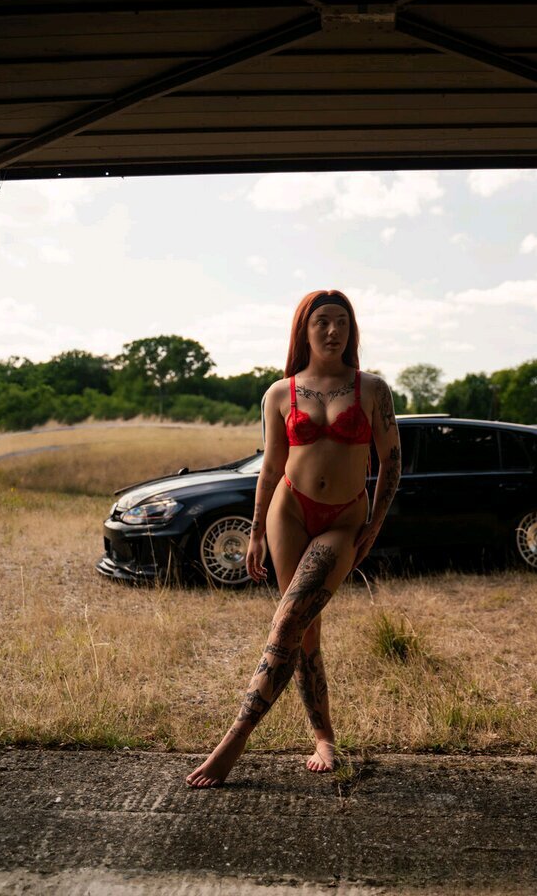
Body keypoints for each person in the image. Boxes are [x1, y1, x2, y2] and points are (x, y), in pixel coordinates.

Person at [186, 289, 401, 788]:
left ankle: (233, 741)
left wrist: (373, 524)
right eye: (322, 321)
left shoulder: (372, 389)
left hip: (343, 519)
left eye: (342, 321)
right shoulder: (279, 393)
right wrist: (256, 530)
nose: (333, 330)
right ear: (304, 329)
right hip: (289, 510)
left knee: (287, 621)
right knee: (303, 632)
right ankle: (323, 736)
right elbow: (271, 467)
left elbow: (392, 460)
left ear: (352, 330)